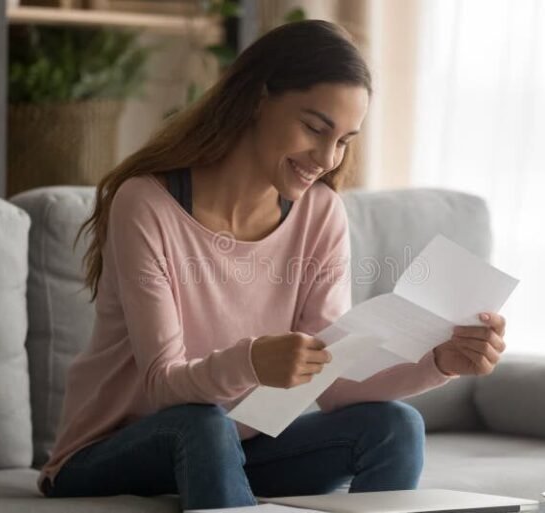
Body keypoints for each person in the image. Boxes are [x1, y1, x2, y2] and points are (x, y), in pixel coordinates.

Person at [37, 19, 508, 510]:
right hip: (107, 454)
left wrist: (438, 363)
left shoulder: (320, 213)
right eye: (314, 127)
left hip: (232, 448)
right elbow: (164, 386)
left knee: (394, 426)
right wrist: (252, 361)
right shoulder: (147, 204)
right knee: (201, 422)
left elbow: (333, 382)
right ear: (259, 99)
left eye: (344, 140)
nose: (327, 157)